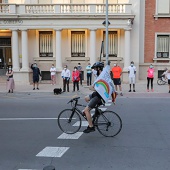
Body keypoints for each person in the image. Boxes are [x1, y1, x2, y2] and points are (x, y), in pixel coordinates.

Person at [83, 61, 116, 133]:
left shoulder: (102, 77)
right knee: (86, 98)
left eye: (95, 69)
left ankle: (91, 126)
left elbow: (99, 88)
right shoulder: (101, 75)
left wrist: (92, 88)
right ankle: (96, 110)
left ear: (98, 68)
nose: (94, 71)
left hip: (99, 97)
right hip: (97, 94)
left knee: (86, 110)